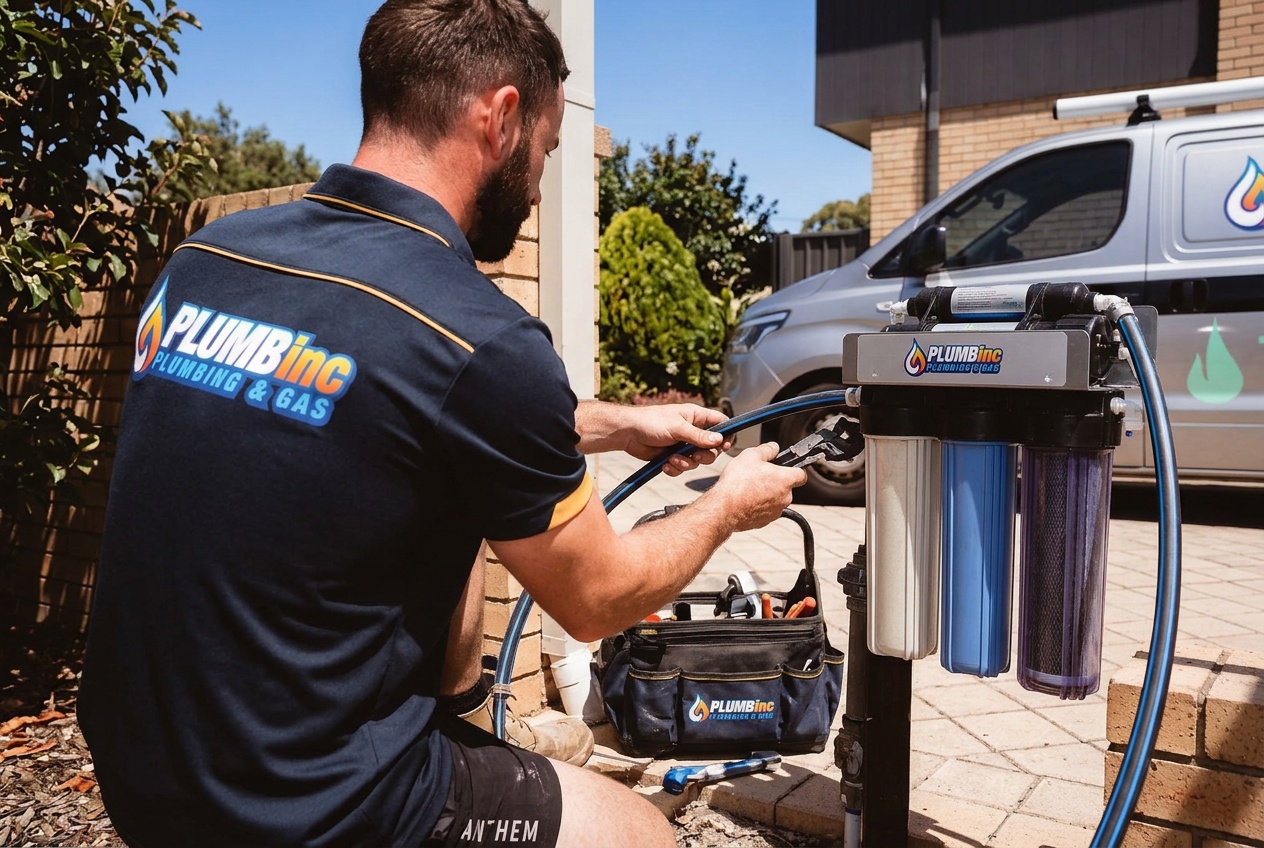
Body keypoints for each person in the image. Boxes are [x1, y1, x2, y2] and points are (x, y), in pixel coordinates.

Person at [78, 1, 807, 846]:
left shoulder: (210, 259)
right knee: (643, 834)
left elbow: (374, 406)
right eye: (545, 149)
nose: (537, 185)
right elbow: (598, 600)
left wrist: (612, 425)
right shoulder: (477, 333)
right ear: (499, 118)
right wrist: (728, 505)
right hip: (303, 804)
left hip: (140, 768)